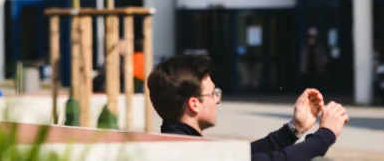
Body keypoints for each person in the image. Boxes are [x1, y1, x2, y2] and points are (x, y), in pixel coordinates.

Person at [147, 55, 349, 161]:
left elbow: (243, 155)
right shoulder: (197, 156)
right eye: (213, 94)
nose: (217, 101)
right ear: (194, 103)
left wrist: (295, 128)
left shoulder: (172, 146)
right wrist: (326, 134)